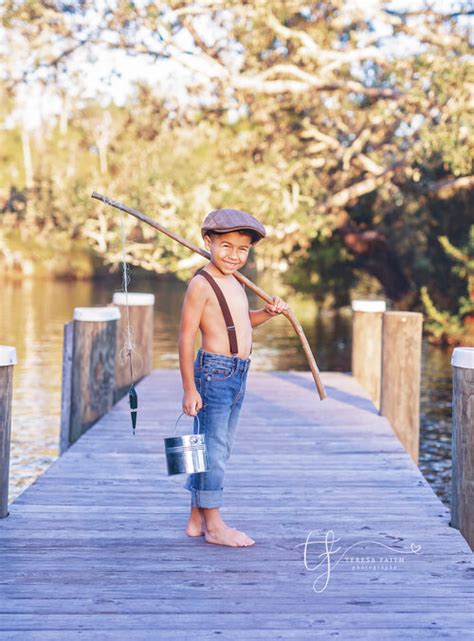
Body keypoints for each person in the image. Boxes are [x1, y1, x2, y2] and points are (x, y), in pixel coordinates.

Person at [178, 208, 288, 547]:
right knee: (214, 449)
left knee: (211, 446)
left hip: (238, 373)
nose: (234, 256)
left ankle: (197, 517)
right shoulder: (202, 283)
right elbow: (185, 337)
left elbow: (240, 322)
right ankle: (214, 524)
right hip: (214, 373)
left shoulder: (236, 282)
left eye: (242, 250)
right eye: (225, 246)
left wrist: (266, 314)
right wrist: (189, 388)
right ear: (208, 242)